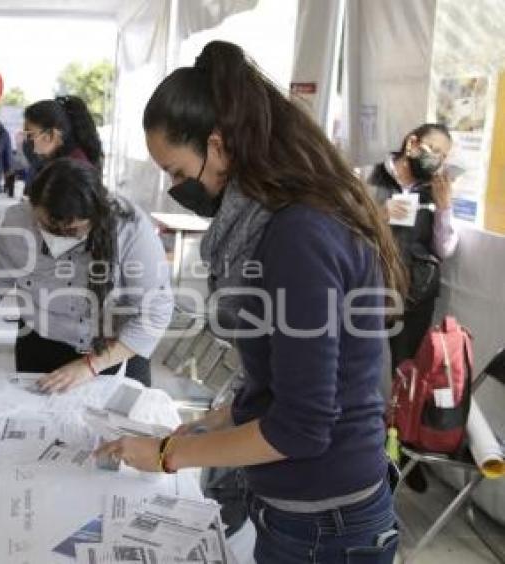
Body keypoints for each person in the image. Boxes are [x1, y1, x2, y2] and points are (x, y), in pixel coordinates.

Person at [95, 41, 406, 563]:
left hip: (325, 521)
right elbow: (289, 375)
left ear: (217, 146)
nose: (174, 188)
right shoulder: (277, 223)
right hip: (302, 508)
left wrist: (170, 455)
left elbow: (302, 426)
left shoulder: (297, 233)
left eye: (175, 171)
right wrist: (222, 418)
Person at [0, 158, 173, 390]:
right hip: (41, 347)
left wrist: (90, 366)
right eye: (47, 226)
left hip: (116, 352)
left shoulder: (129, 228)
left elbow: (155, 312)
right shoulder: (18, 222)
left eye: (72, 230)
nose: (59, 236)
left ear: (95, 216)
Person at [368, 123, 458, 494]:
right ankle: (362, 449)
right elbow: (340, 228)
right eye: (434, 150)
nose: (438, 160)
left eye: (444, 156)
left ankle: (400, 454)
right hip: (369, 291)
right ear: (412, 144)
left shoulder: (435, 189)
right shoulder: (370, 177)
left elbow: (445, 248)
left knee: (405, 379)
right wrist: (379, 217)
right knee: (366, 368)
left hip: (416, 294)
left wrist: (444, 208)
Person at [22, 95, 102, 184]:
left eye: (30, 134)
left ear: (51, 134)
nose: (27, 141)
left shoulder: (71, 174)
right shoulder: (62, 167)